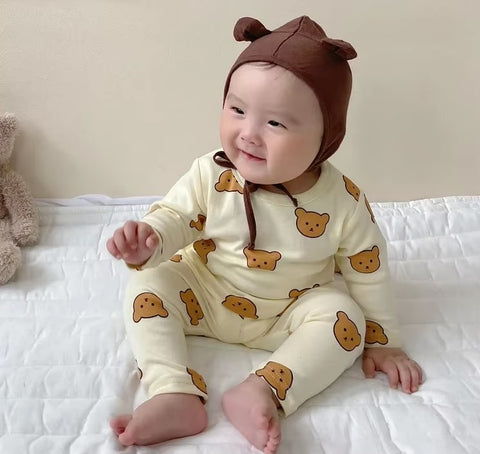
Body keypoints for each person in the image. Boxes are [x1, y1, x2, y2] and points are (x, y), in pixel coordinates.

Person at [107, 16, 423, 454]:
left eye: (275, 123)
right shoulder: (211, 173)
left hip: (288, 313)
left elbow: (367, 270)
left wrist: (385, 343)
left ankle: (263, 390)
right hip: (206, 293)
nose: (249, 135)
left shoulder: (342, 201)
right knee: (148, 282)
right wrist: (151, 239)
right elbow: (177, 215)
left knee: (345, 317)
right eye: (237, 110)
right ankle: (172, 390)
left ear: (325, 137)